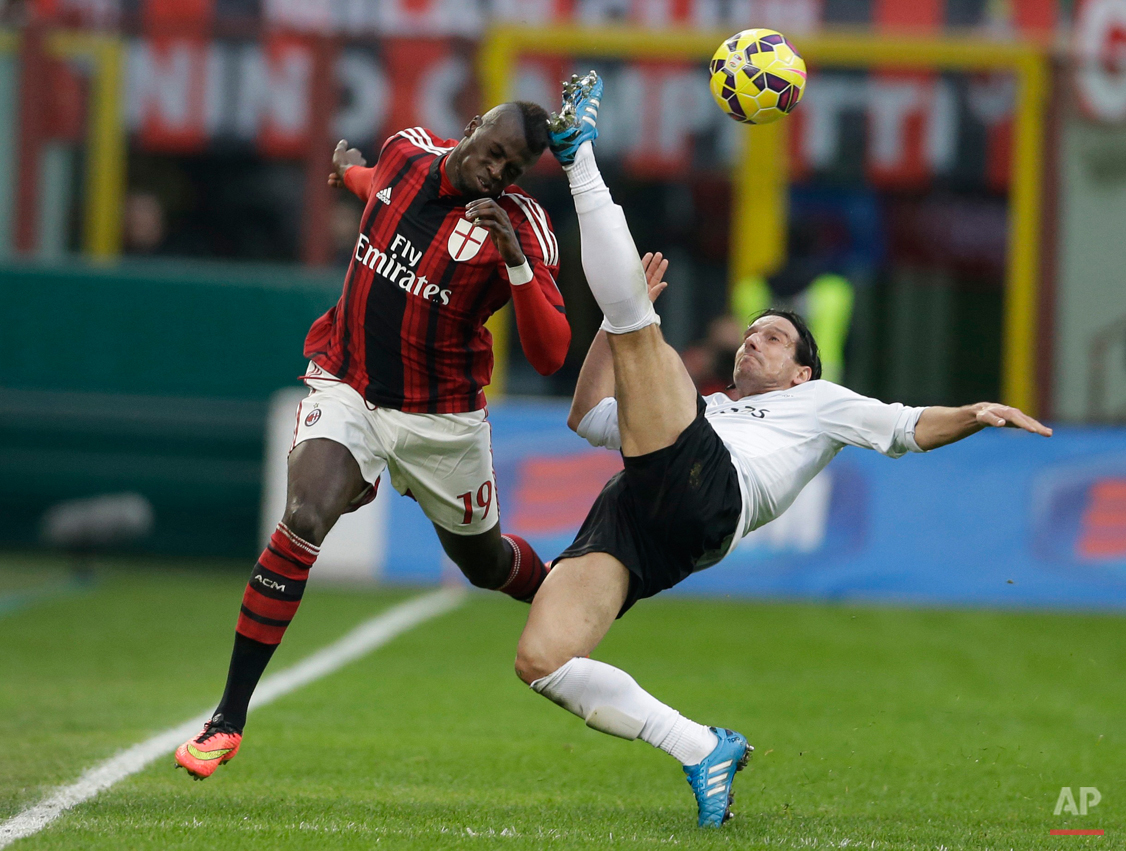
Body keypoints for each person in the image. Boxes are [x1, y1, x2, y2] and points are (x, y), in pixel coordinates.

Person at [514, 72, 1052, 828]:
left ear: (802, 366)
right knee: (541, 660)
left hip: (708, 492)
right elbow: (586, 416)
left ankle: (578, 156)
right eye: (752, 332)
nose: (752, 341)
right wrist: (615, 326)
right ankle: (703, 745)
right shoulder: (705, 404)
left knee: (639, 322)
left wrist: (975, 411)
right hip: (642, 515)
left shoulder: (819, 403)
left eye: (773, 337)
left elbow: (907, 427)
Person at [176, 102, 571, 779]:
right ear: (472, 125)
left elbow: (551, 353)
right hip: (348, 383)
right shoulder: (406, 152)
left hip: (439, 419)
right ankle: (228, 717)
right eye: (494, 150)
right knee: (303, 518)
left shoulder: (523, 226)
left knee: (485, 563)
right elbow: (377, 187)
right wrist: (350, 171)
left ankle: (569, 591)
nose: (496, 171)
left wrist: (513, 262)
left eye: (512, 167)